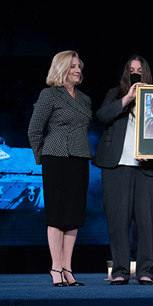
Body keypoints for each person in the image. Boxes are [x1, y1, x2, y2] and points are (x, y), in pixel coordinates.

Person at [92, 55, 153, 285]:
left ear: (147, 74)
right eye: (132, 70)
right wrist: (128, 98)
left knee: (148, 223)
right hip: (117, 168)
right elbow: (102, 115)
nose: (136, 74)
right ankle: (120, 271)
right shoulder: (115, 94)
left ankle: (146, 271)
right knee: (118, 222)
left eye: (140, 70)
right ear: (127, 73)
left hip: (149, 169)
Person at [27, 50, 91, 287]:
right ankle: (55, 268)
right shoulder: (49, 95)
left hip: (80, 158)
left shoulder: (84, 99)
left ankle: (68, 268)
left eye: (79, 66)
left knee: (73, 217)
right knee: (56, 216)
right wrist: (42, 158)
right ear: (61, 68)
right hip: (55, 158)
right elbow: (34, 130)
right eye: (73, 66)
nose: (78, 70)